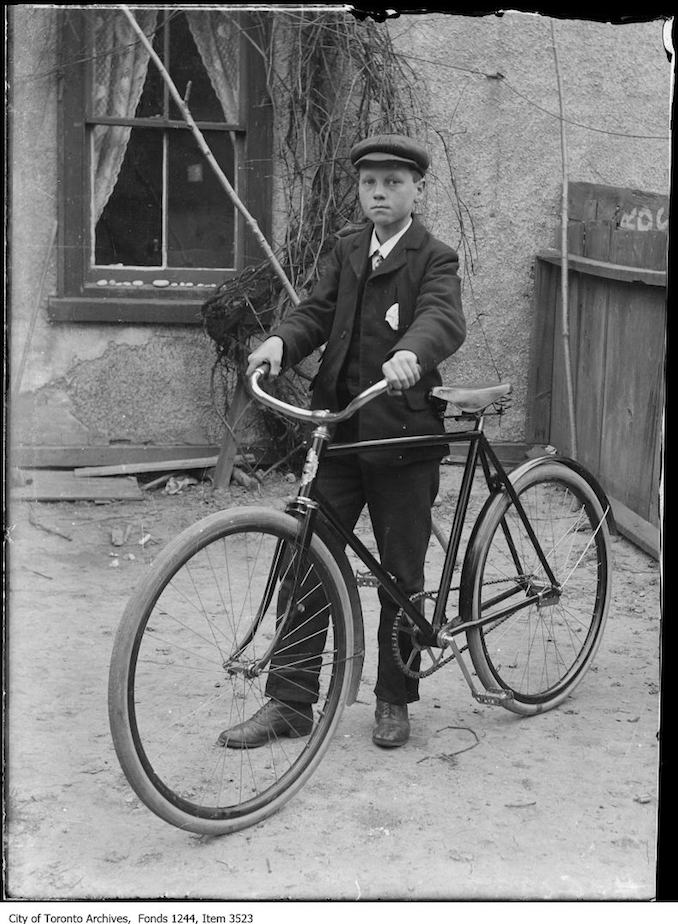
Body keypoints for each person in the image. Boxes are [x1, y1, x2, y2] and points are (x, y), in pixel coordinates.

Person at [218, 133, 466, 749]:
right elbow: (315, 312)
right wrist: (282, 341)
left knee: (399, 574)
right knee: (306, 561)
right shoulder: (348, 249)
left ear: (417, 190)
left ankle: (393, 698)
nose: (379, 193)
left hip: (403, 441)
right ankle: (290, 701)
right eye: (369, 184)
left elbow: (443, 316)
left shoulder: (434, 257)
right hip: (339, 434)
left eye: (393, 183)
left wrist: (412, 351)